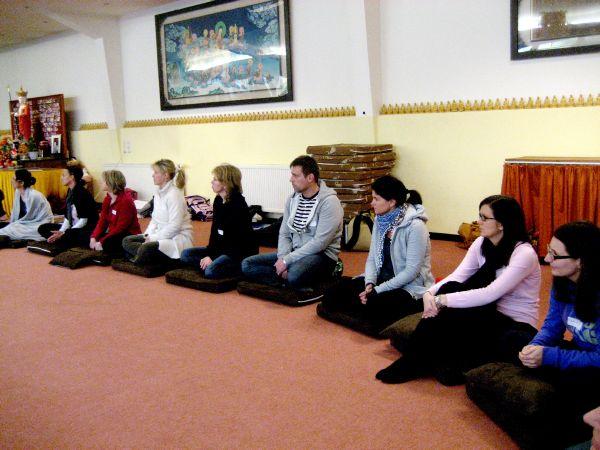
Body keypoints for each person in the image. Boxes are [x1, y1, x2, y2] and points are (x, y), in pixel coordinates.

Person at [376, 195, 541, 385]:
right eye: (479, 216)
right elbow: (458, 276)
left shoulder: (524, 253)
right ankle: (421, 359)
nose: (478, 222)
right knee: (450, 288)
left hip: (514, 323)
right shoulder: (482, 243)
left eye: (484, 218)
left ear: (502, 224)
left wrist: (442, 300)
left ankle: (416, 360)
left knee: (450, 304)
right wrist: (430, 293)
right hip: (488, 313)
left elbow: (490, 293)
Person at [319, 175, 434, 334]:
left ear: (391, 202)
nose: (372, 203)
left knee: (374, 307)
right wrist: (369, 284)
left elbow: (411, 272)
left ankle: (406, 305)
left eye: (376, 199)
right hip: (381, 280)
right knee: (332, 293)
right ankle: (366, 303)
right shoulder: (381, 219)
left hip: (408, 286)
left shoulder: (416, 227)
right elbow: (372, 258)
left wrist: (378, 291)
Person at [518, 221, 599, 442]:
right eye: (548, 250)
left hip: (597, 363)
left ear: (580, 260)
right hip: (583, 352)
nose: (546, 259)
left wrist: (550, 356)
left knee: (574, 382)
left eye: (555, 255)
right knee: (518, 342)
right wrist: (535, 346)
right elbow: (552, 326)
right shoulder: (563, 283)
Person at [241, 155, 343, 290]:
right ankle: (289, 281)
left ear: (310, 178)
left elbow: (320, 243)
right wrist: (282, 258)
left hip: (321, 255)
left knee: (294, 275)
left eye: (295, 175)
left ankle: (291, 279)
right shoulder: (292, 199)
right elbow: (284, 233)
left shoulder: (329, 202)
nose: (291, 179)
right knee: (247, 264)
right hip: (294, 253)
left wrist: (287, 261)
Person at [180, 164, 257, 278]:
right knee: (186, 255)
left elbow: (235, 241)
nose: (211, 182)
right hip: (222, 249)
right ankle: (213, 265)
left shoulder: (238, 205)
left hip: (237, 252)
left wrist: (212, 257)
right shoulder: (218, 200)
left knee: (211, 271)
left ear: (225, 183)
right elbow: (215, 231)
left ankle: (234, 268)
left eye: (215, 179)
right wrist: (211, 253)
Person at [122, 159, 192, 265]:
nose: (152, 175)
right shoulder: (158, 194)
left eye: (156, 172)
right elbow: (154, 220)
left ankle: (142, 258)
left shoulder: (174, 195)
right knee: (126, 241)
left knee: (145, 248)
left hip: (175, 239)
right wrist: (147, 236)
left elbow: (174, 227)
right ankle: (143, 258)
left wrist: (152, 238)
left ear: (166, 175)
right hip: (158, 236)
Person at [38, 165, 98, 250]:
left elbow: (83, 221)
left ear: (72, 177)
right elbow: (67, 217)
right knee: (43, 228)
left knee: (75, 235)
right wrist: (61, 231)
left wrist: (66, 233)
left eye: (63, 175)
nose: (61, 178)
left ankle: (62, 240)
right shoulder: (70, 191)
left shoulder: (82, 194)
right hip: (72, 227)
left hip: (84, 228)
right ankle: (61, 239)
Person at [89, 170, 141, 257]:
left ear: (110, 183)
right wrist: (93, 237)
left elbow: (121, 228)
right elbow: (102, 221)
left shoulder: (126, 201)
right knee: (88, 235)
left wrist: (102, 241)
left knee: (108, 243)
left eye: (103, 181)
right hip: (113, 232)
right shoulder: (107, 199)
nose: (101, 182)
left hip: (128, 234)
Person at [0, 169, 53, 241]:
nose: (11, 181)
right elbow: (16, 213)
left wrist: (17, 224)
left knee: (11, 229)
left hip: (39, 223)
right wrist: (15, 223)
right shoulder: (18, 192)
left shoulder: (34, 195)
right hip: (26, 222)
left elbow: (30, 216)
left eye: (13, 179)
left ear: (21, 183)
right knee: (10, 227)